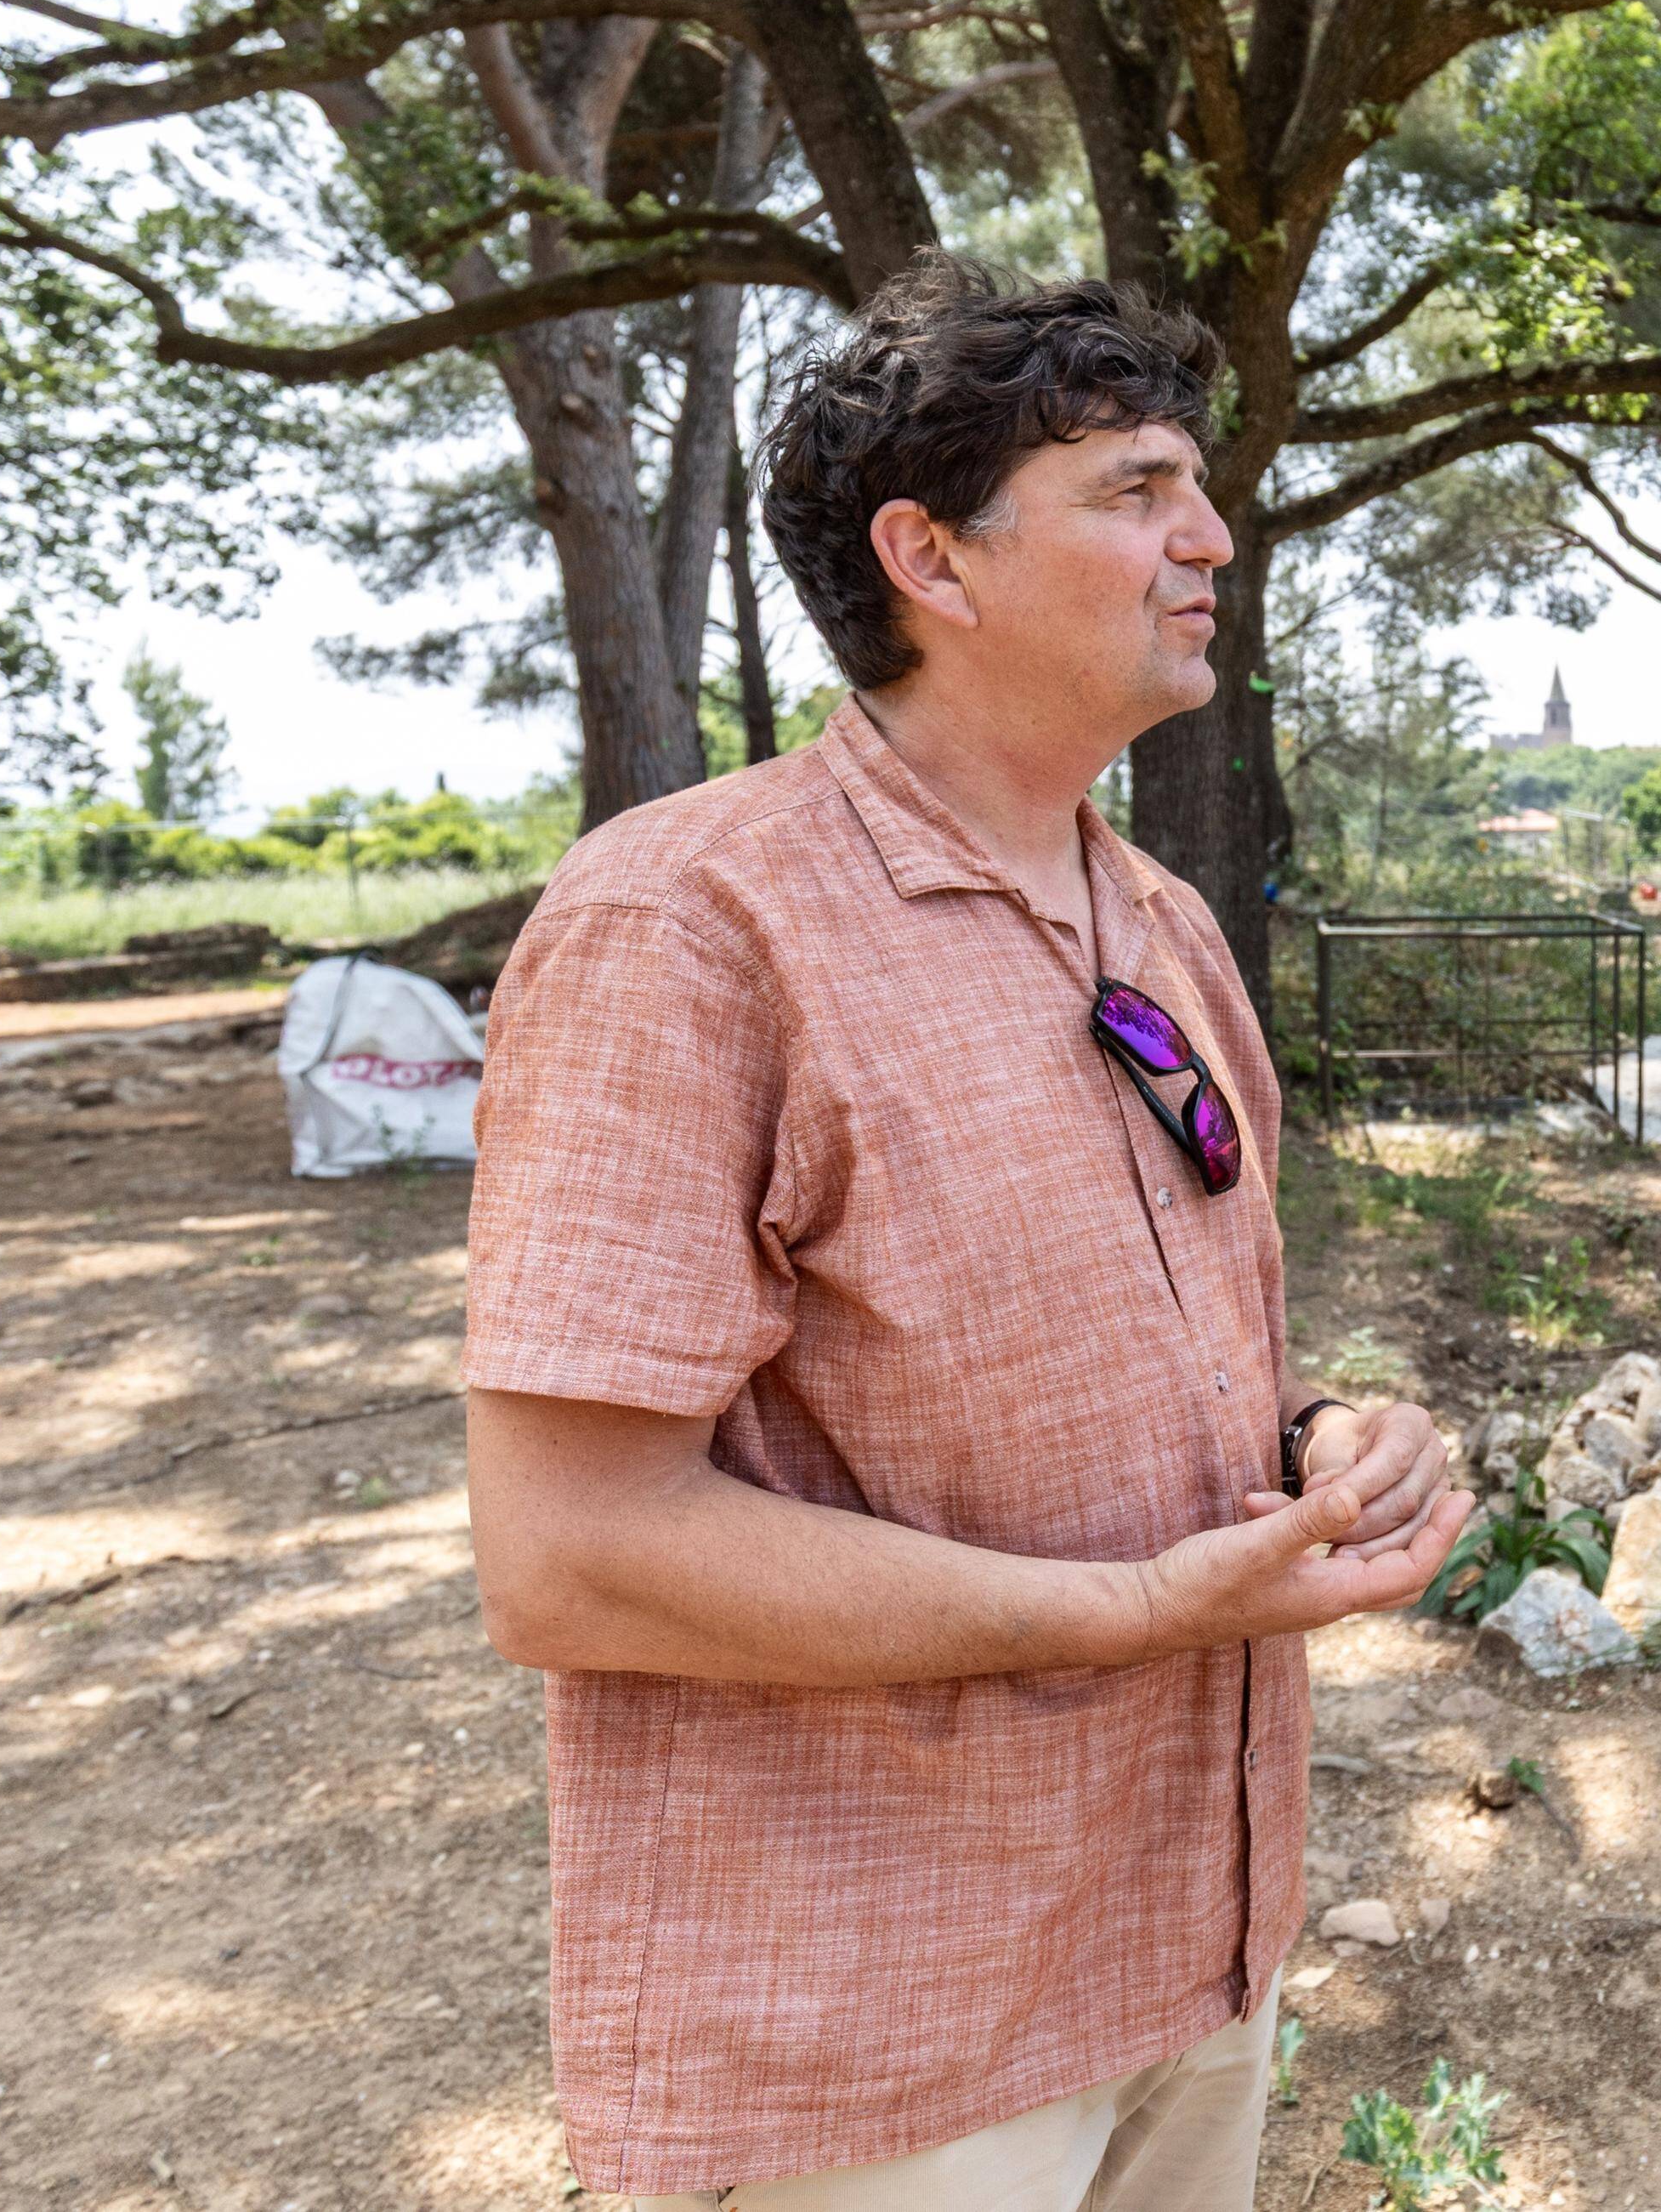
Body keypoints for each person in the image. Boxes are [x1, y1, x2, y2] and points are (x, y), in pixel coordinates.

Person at [462, 260, 1474, 2210]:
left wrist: (1329, 1447)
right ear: (932, 556)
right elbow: (567, 1559)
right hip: (887, 2047)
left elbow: (1205, 1367)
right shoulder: (682, 928)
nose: (1212, 536)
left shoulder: (1161, 923)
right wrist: (1128, 1615)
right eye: (1135, 489)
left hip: (1198, 1942)